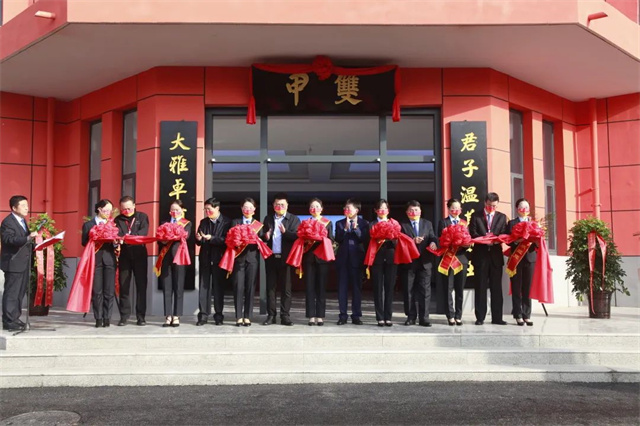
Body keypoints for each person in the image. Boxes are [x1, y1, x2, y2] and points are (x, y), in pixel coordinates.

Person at [469, 192, 508, 325]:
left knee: (496, 288)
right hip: (481, 256)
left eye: (494, 206)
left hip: (495, 257)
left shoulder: (502, 217)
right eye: (489, 205)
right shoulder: (476, 216)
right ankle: (480, 317)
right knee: (480, 287)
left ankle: (497, 317)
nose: (492, 208)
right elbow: (472, 233)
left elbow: (504, 233)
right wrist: (484, 238)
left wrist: (496, 239)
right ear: (485, 203)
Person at [1, 195, 39, 331]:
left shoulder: (22, 221)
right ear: (14, 208)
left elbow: (25, 241)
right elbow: (9, 240)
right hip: (13, 263)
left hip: (23, 263)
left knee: (19, 293)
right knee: (12, 293)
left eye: (27, 205)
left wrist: (38, 244)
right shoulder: (8, 222)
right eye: (23, 206)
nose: (26, 208)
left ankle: (15, 318)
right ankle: (9, 321)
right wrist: (28, 237)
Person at [262, 193, 300, 326]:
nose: (279, 207)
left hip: (286, 258)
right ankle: (271, 315)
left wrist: (286, 233)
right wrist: (265, 236)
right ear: (273, 205)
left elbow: (297, 236)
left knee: (286, 288)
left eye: (282, 204)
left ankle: (285, 316)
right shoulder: (268, 219)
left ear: (287, 205)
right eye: (277, 204)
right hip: (271, 257)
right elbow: (262, 235)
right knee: (270, 288)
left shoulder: (293, 219)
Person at [399, 200, 438, 327]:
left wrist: (433, 243)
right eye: (411, 210)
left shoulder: (427, 223)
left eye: (416, 210)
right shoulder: (402, 225)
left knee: (425, 291)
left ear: (420, 211)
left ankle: (424, 318)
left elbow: (432, 237)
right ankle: (411, 317)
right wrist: (412, 240)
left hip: (424, 262)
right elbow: (399, 242)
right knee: (408, 290)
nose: (414, 212)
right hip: (409, 262)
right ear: (407, 212)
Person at [114, 196, 149, 326]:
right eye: (124, 209)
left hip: (140, 254)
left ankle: (141, 316)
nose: (127, 211)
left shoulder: (142, 217)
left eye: (129, 208)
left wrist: (128, 237)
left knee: (141, 286)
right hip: (124, 255)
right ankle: (124, 316)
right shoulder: (118, 220)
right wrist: (122, 238)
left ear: (134, 205)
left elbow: (143, 233)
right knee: (124, 286)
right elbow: (117, 234)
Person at [195, 197, 230, 326]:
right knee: (203, 288)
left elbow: (227, 240)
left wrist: (212, 238)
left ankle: (219, 316)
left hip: (219, 259)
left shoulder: (226, 222)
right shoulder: (203, 222)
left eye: (209, 209)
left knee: (218, 288)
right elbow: (198, 242)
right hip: (205, 258)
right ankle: (203, 315)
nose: (207, 212)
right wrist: (198, 239)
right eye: (205, 209)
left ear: (217, 208)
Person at [83, 199, 117, 328]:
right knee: (97, 291)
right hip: (95, 260)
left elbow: (116, 241)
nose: (108, 213)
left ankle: (107, 318)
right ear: (99, 209)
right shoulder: (88, 225)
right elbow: (83, 242)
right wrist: (94, 239)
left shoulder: (112, 224)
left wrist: (116, 242)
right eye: (106, 210)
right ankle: (98, 318)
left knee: (109, 290)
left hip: (109, 259)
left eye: (110, 211)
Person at [334, 199, 369, 325]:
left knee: (356, 289)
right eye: (345, 208)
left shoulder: (364, 223)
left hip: (357, 260)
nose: (346, 210)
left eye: (349, 208)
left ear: (356, 210)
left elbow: (364, 239)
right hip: (343, 260)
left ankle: (356, 315)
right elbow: (337, 239)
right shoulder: (339, 223)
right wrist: (345, 229)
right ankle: (342, 316)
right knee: (342, 289)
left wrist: (356, 229)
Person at [230, 198, 264, 327]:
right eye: (245, 207)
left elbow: (262, 242)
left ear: (254, 210)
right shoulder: (235, 222)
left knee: (250, 288)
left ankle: (248, 316)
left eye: (250, 207)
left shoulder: (258, 225)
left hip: (252, 259)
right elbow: (230, 239)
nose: (247, 210)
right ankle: (239, 316)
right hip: (238, 259)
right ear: (241, 209)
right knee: (238, 287)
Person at [159, 199, 192, 327]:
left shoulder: (187, 223)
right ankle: (168, 316)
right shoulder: (164, 223)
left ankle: (177, 315)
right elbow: (160, 239)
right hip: (166, 258)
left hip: (179, 257)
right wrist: (164, 238)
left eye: (177, 210)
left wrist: (172, 234)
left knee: (178, 286)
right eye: (172, 210)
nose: (174, 212)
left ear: (182, 210)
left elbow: (186, 236)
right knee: (167, 287)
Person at [436, 198, 469, 326]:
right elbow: (440, 239)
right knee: (448, 288)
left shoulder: (464, 223)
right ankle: (450, 315)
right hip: (448, 258)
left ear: (461, 210)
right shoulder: (443, 222)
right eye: (453, 208)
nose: (455, 210)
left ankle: (458, 315)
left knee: (460, 288)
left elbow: (468, 239)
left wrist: (465, 243)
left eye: (457, 208)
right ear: (448, 209)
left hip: (461, 258)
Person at [303, 198, 334, 326]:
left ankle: (320, 315)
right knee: (309, 287)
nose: (314, 209)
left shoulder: (328, 223)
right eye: (312, 206)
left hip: (322, 258)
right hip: (309, 258)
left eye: (317, 206)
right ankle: (311, 315)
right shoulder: (305, 223)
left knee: (321, 287)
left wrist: (322, 239)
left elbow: (331, 240)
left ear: (321, 209)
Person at [507, 198, 537, 326]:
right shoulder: (512, 223)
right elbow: (508, 240)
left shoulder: (534, 223)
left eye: (526, 207)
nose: (524, 210)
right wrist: (517, 241)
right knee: (516, 286)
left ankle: (527, 315)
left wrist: (535, 238)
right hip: (516, 258)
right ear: (517, 209)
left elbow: (538, 243)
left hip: (530, 257)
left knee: (527, 287)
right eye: (521, 207)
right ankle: (518, 314)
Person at [370, 199, 399, 327]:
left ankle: (388, 317)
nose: (382, 211)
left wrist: (391, 236)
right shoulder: (371, 224)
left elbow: (398, 241)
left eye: (385, 208)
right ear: (376, 211)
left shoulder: (394, 223)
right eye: (380, 208)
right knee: (378, 288)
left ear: (388, 210)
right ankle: (380, 317)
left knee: (389, 287)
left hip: (391, 257)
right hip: (376, 258)